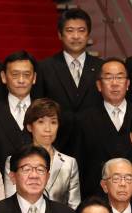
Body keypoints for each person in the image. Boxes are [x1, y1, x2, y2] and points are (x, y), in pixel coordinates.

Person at [36, 8, 103, 154]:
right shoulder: (44, 67)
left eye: (81, 30)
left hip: (95, 142)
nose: (76, 36)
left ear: (88, 34)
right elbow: (39, 107)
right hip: (57, 142)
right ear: (60, 34)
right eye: (70, 31)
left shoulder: (101, 67)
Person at [75, 58, 132, 198]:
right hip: (97, 197)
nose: (114, 83)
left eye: (120, 77)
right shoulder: (82, 119)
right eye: (108, 78)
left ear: (128, 84)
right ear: (99, 85)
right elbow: (80, 165)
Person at [3, 98, 81, 209]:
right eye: (41, 122)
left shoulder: (69, 163)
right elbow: (11, 202)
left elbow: (74, 206)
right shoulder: (14, 160)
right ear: (30, 126)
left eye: (53, 122)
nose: (48, 129)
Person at [0, 50, 36, 172]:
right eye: (15, 74)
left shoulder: (46, 112)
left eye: (26, 74)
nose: (21, 80)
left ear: (34, 78)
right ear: (4, 77)